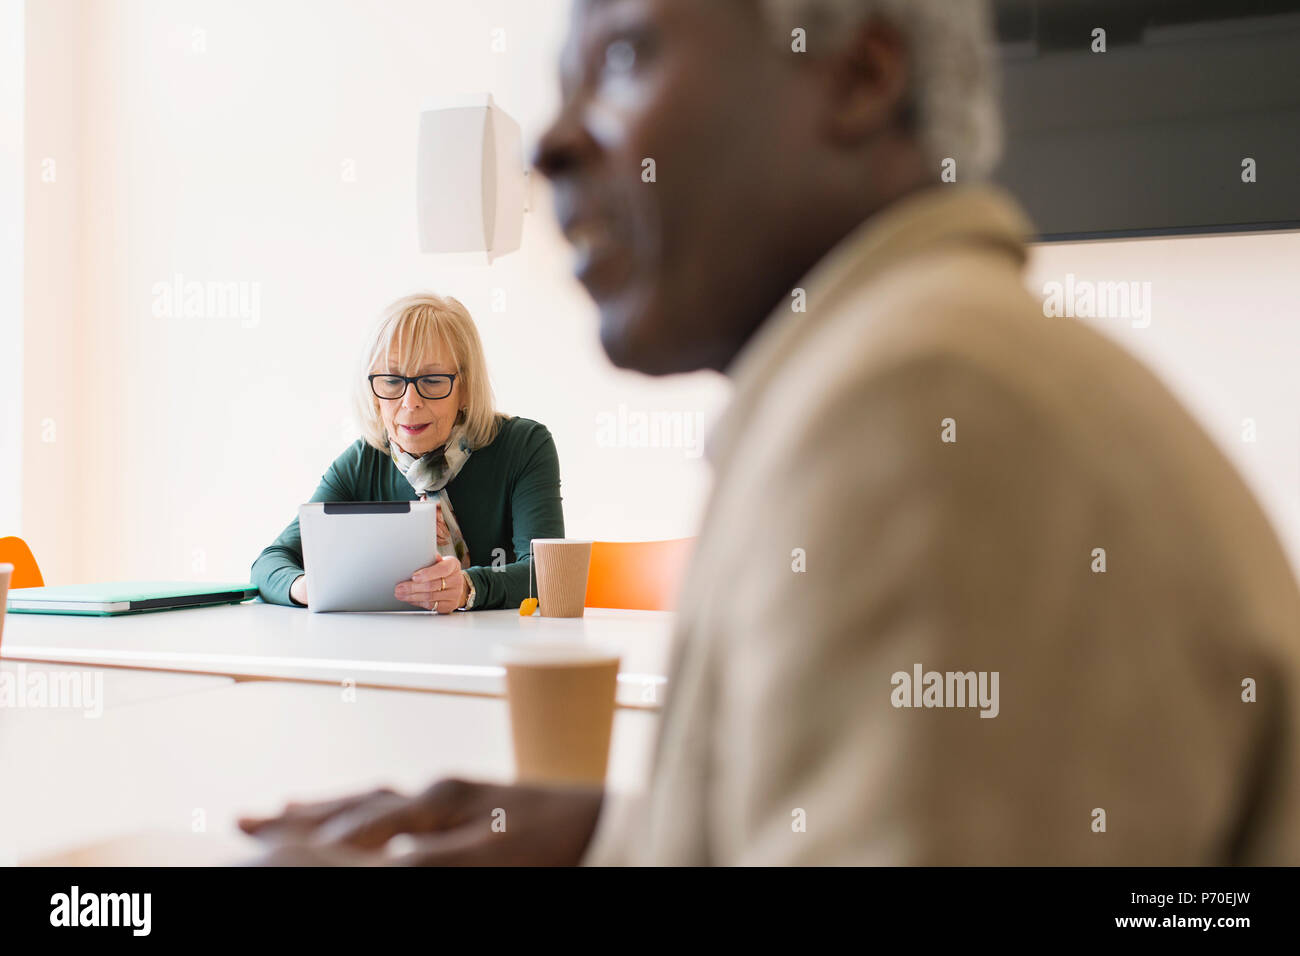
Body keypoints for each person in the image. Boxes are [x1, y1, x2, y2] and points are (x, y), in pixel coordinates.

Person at [240, 0, 1300, 864]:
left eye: (621, 56)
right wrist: (629, 836)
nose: (552, 145)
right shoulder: (914, 368)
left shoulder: (915, 409)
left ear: (858, 76)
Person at [251, 293, 564, 613]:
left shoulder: (523, 446)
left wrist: (468, 588)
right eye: (391, 381)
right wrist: (312, 585)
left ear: (466, 387)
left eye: (431, 380)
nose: (410, 401)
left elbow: (549, 571)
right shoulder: (362, 462)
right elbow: (270, 564)